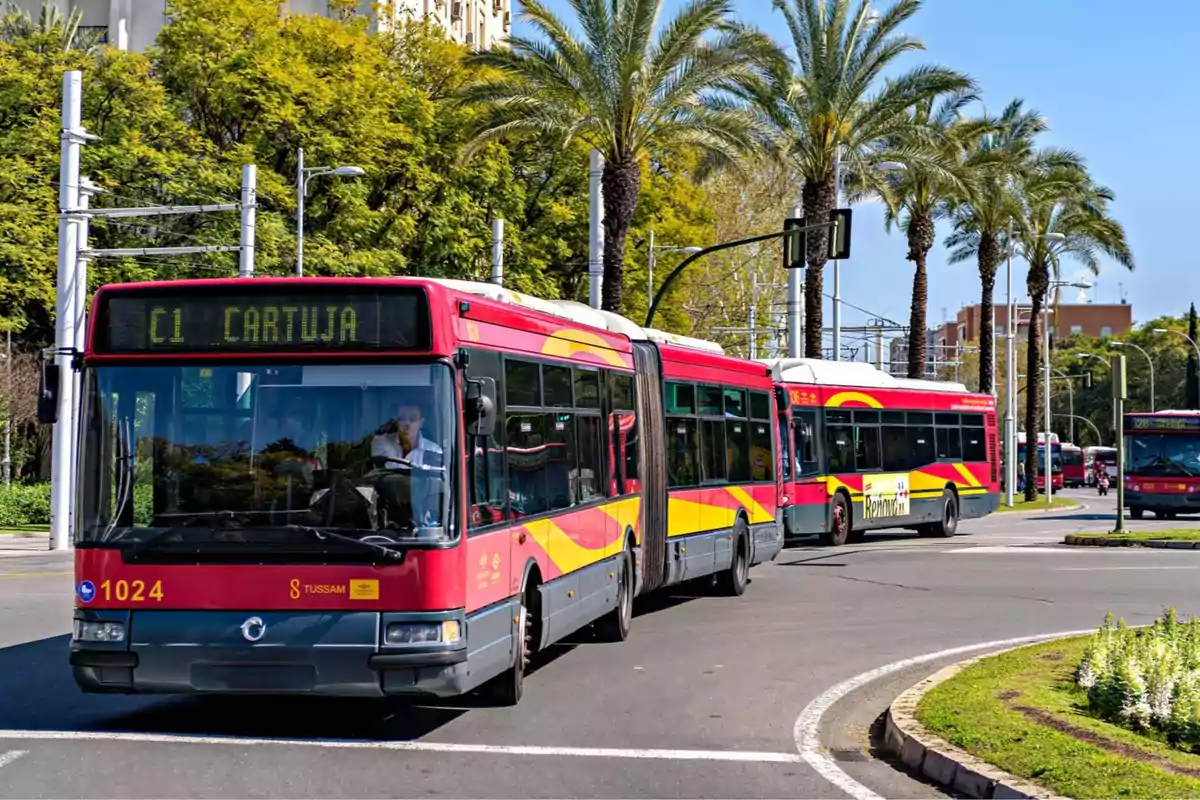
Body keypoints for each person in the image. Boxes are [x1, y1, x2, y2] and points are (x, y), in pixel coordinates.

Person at [371, 403, 442, 469]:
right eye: (402, 418)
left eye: (413, 418)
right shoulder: (381, 443)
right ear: (397, 422)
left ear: (421, 422)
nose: (407, 423)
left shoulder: (434, 450)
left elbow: (438, 481)